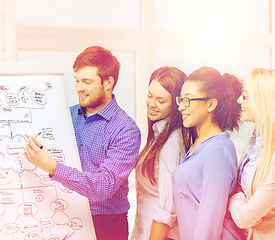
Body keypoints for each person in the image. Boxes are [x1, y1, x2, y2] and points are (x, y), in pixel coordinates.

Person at [25, 46, 141, 240]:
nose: (79, 88)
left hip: (106, 225)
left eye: (87, 82)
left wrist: (52, 167)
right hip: (64, 215)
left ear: (108, 83)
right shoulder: (66, 115)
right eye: (77, 81)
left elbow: (104, 186)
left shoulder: (126, 130)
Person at [172, 66, 245, 240]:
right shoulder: (200, 143)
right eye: (180, 100)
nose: (181, 107)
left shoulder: (218, 151)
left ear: (211, 104)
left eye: (188, 100)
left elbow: (210, 221)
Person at [130, 66, 194, 240]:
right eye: (150, 95)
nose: (151, 103)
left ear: (176, 104)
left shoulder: (172, 141)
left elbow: (167, 208)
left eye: (160, 100)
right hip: (146, 231)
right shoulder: (159, 134)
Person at [228, 68, 275, 240]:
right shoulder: (255, 143)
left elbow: (244, 218)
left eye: (245, 96)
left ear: (264, 102)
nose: (239, 100)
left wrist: (234, 194)